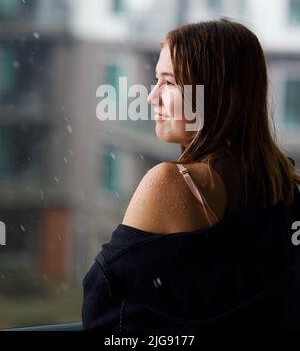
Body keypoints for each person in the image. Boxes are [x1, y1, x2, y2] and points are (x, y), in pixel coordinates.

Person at [82, 18, 300, 331]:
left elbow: (101, 303)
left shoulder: (174, 183)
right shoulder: (285, 187)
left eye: (169, 83)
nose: (151, 96)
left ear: (213, 94)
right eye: (156, 81)